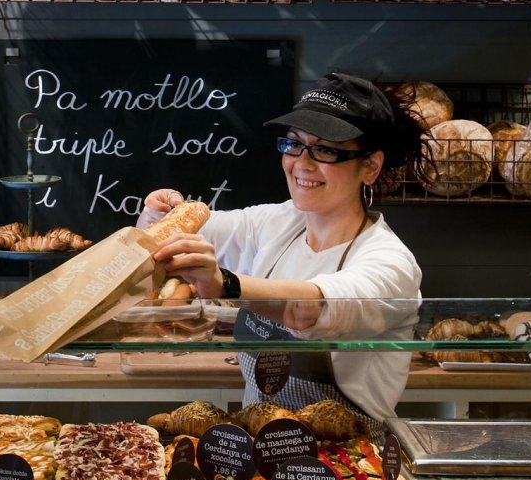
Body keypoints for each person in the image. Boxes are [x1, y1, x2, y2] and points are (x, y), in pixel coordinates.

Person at [138, 73, 428, 420]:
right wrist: (158, 214)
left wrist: (225, 285)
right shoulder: (278, 223)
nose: (302, 163)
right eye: (294, 144)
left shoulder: (390, 262)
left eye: (325, 150)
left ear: (370, 166)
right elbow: (166, 236)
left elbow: (310, 310)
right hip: (261, 444)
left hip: (347, 456)